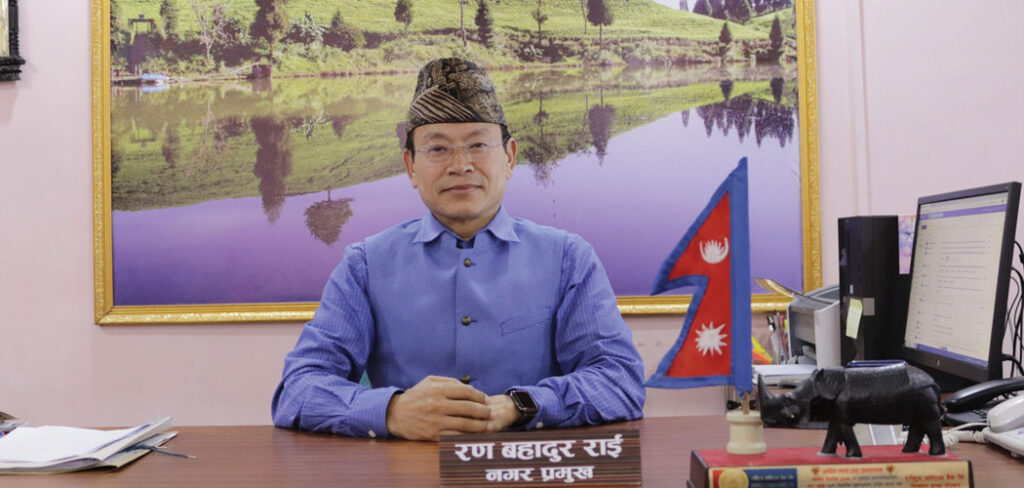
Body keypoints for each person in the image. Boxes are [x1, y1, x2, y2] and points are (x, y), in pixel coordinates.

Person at [272, 58, 645, 441]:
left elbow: (620, 381)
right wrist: (393, 411)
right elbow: (297, 390)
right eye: (437, 149)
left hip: (528, 475)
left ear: (510, 157)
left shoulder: (567, 258)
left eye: (478, 144)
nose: (460, 165)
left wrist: (519, 405)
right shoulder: (366, 265)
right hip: (409, 474)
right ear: (411, 167)